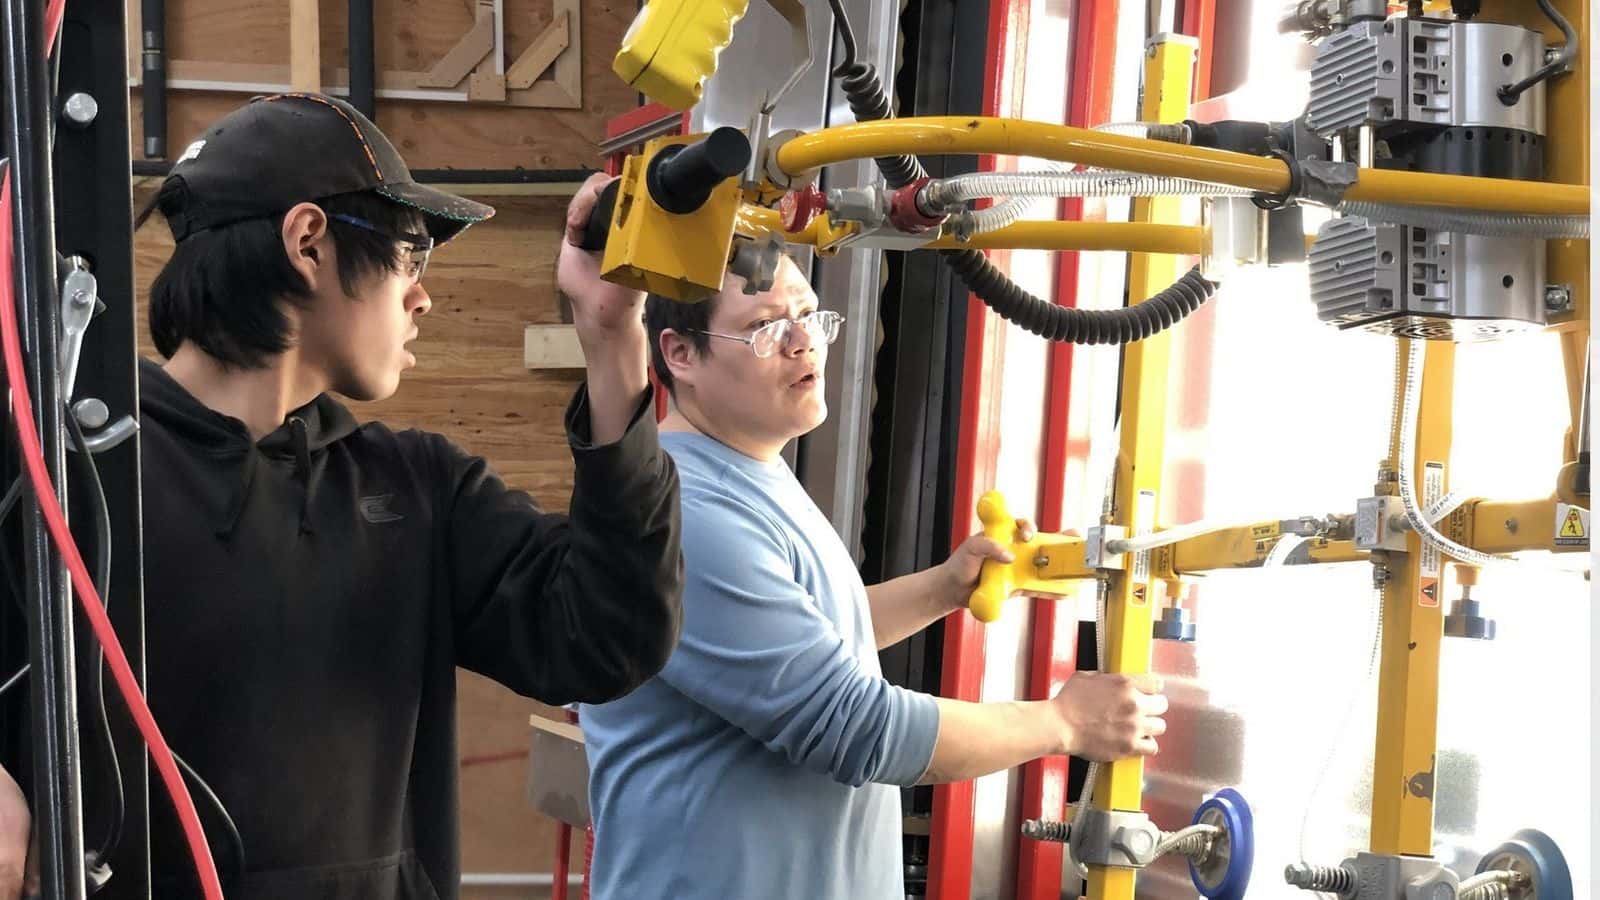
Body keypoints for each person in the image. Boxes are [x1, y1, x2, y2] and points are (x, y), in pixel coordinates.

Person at [4, 92, 684, 900]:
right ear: (309, 244)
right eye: (411, 256)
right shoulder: (68, 477)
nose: (423, 297)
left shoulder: (417, 490)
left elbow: (611, 636)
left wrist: (612, 339)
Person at [579, 253, 1169, 899]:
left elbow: (804, 643)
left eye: (808, 315)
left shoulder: (751, 471)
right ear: (681, 354)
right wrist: (1064, 725)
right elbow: (855, 727)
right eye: (769, 327)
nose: (805, 341)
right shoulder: (686, 511)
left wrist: (945, 587)